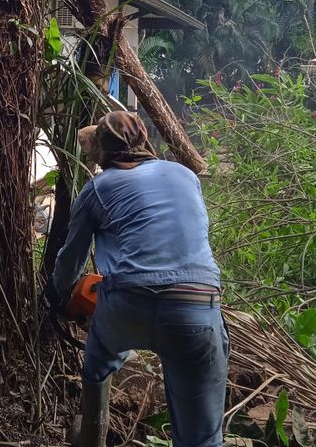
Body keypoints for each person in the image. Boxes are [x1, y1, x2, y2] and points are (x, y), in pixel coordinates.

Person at [52, 111, 228, 447]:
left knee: (96, 362)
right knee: (202, 440)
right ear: (143, 141)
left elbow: (70, 259)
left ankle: (90, 436)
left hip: (127, 307)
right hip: (197, 308)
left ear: (101, 153)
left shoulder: (97, 187)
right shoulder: (184, 175)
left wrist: (58, 295)